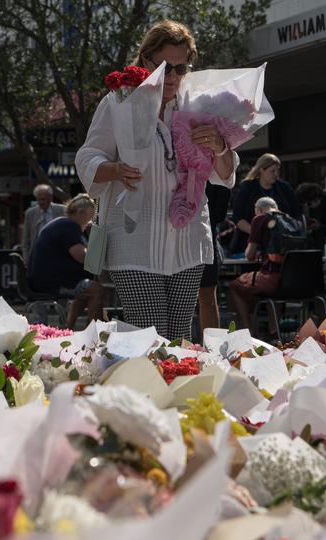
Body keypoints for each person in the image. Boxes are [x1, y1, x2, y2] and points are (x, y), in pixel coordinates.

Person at [75, 19, 237, 340]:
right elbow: (88, 157)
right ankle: (142, 389)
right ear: (145, 60)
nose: (173, 77)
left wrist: (220, 146)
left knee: (178, 338)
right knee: (151, 336)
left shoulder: (198, 104)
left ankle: (173, 390)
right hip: (134, 241)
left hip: (187, 242)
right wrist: (116, 168)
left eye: (181, 68)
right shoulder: (120, 102)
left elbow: (227, 174)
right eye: (166, 67)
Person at [27, 194, 105, 329]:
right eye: (90, 218)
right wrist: (97, 252)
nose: (89, 223)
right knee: (97, 290)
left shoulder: (61, 223)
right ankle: (93, 332)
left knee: (84, 292)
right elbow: (81, 256)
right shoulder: (70, 226)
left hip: (41, 279)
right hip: (51, 282)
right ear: (80, 213)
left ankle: (69, 328)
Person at [227, 197, 286, 334]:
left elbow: (249, 255)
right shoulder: (290, 220)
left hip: (271, 279)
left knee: (235, 286)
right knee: (273, 292)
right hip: (292, 280)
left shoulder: (260, 219)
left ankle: (247, 332)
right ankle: (274, 330)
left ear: (259, 210)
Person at [229, 153, 300, 254]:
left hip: (281, 244)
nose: (276, 174)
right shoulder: (247, 188)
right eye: (272, 171)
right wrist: (257, 234)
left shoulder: (285, 188)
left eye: (278, 170)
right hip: (249, 243)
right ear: (261, 170)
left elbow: (295, 214)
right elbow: (238, 217)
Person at [197, 183, 231, 333]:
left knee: (208, 293)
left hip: (205, 234)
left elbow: (219, 212)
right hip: (171, 232)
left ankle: (211, 350)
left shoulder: (217, 163)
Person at [22, 184, 66, 265]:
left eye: (43, 199)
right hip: (37, 255)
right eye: (39, 200)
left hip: (57, 254)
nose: (41, 202)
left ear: (50, 198)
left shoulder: (62, 210)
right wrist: (26, 261)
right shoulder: (30, 213)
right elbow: (26, 240)